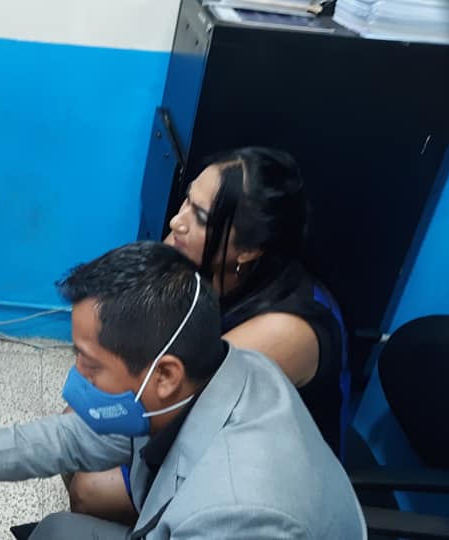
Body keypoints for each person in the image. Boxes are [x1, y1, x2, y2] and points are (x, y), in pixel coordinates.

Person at [0, 242, 365, 540]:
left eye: (90, 363)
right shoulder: (213, 371)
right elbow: (77, 438)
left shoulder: (236, 516)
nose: (76, 377)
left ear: (164, 375)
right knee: (58, 531)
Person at [68, 147, 349, 524]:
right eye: (187, 201)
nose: (176, 221)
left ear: (247, 250)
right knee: (79, 423)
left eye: (199, 216)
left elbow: (173, 410)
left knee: (88, 489)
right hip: (205, 428)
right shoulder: (210, 268)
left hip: (266, 482)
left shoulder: (282, 332)